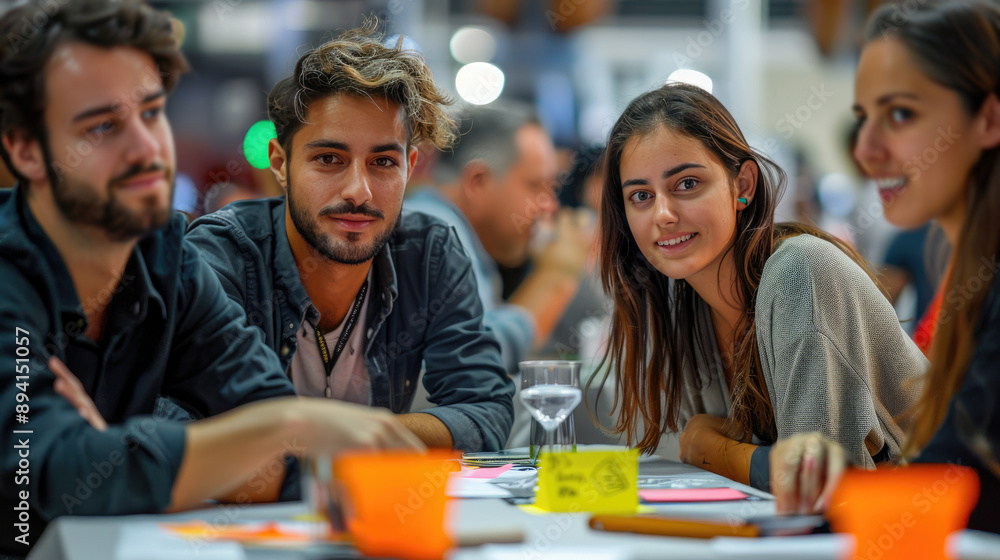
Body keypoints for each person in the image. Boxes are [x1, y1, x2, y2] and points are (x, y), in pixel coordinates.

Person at [0, 2, 423, 554]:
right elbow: (42, 482)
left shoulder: (167, 259)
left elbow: (293, 459)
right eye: (102, 126)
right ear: (25, 149)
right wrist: (277, 430)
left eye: (151, 113)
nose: (148, 148)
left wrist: (116, 456)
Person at [185, 23, 515, 452]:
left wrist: (352, 438)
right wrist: (361, 438)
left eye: (383, 162)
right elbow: (179, 420)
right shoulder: (221, 257)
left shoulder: (429, 253)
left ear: (409, 167)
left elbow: (486, 410)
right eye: (329, 158)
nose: (359, 191)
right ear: (280, 164)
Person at [591, 82, 926, 499]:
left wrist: (705, 445)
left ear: (743, 186)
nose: (663, 214)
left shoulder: (799, 270)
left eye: (687, 184)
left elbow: (814, 488)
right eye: (641, 196)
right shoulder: (679, 304)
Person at [774, 0, 1000, 531]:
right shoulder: (967, 271)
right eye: (863, 119)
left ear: (989, 119)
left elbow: (949, 493)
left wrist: (730, 455)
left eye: (900, 114)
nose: (867, 150)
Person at [405, 105, 594, 373]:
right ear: (478, 182)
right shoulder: (433, 234)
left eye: (552, 188)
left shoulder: (439, 225)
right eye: (535, 185)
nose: (550, 206)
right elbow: (472, 363)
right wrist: (557, 275)